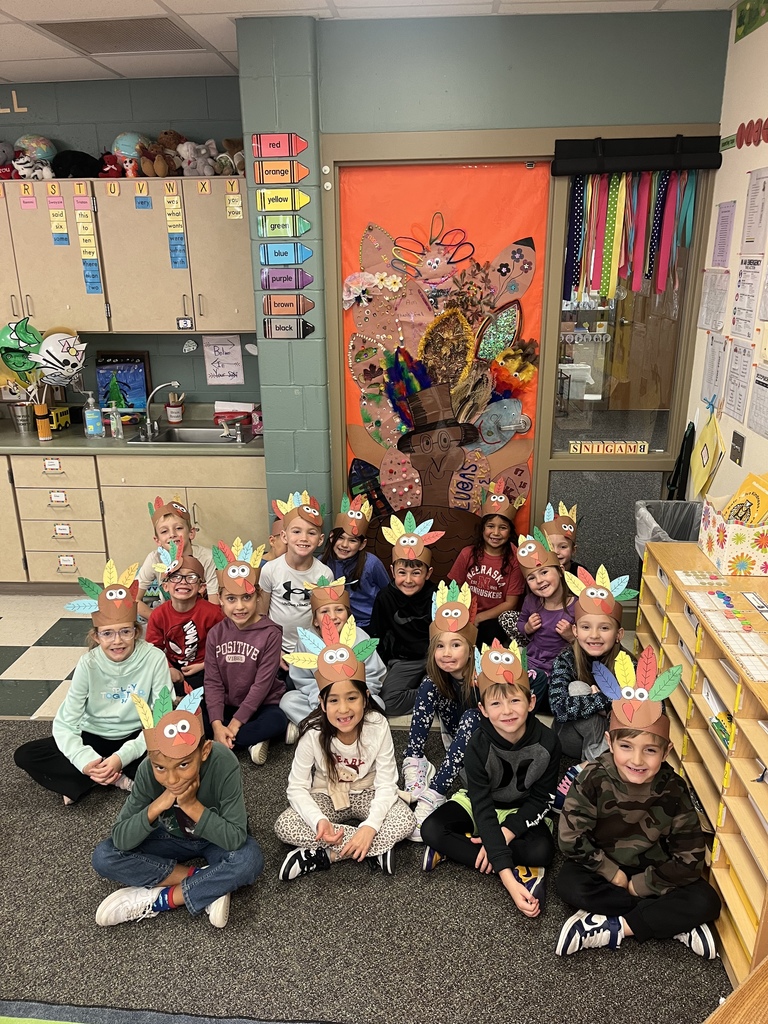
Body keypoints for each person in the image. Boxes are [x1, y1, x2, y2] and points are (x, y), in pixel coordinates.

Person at [555, 648, 721, 957]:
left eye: (650, 751)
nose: (636, 760)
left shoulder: (673, 788)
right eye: (626, 746)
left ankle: (615, 926)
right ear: (609, 743)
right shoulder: (593, 777)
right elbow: (570, 837)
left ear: (666, 751)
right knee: (568, 883)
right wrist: (612, 873)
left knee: (707, 901)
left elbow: (690, 857)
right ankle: (668, 922)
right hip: (604, 865)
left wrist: (641, 885)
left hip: (653, 870)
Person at [91, 685, 263, 929]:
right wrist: (158, 805)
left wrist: (191, 806)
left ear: (204, 751)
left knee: (249, 859)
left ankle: (161, 898)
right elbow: (120, 838)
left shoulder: (223, 761)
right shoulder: (146, 771)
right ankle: (208, 881)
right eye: (160, 767)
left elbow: (235, 837)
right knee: (104, 856)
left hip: (216, 838)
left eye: (183, 765)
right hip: (170, 837)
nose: (172, 780)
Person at [420, 641, 560, 919]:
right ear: (483, 709)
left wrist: (507, 831)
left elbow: (542, 798)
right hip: (480, 805)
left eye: (515, 700)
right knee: (431, 829)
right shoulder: (477, 743)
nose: (507, 711)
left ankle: (469, 849)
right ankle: (502, 859)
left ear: (531, 702)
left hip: (523, 809)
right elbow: (481, 806)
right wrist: (508, 879)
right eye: (496, 703)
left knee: (542, 851)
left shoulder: (548, 741)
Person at [14, 560, 170, 804]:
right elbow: (66, 723)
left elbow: (161, 716)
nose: (117, 641)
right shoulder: (89, 664)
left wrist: (122, 756)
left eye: (125, 631)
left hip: (138, 737)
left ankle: (93, 778)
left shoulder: (154, 658)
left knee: (181, 758)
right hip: (94, 735)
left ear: (136, 631)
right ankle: (108, 776)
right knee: (26, 754)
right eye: (107, 633)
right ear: (96, 636)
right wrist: (84, 761)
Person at [275, 621, 415, 879]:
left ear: (366, 698)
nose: (343, 709)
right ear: (322, 702)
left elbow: (386, 783)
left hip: (367, 791)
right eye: (334, 700)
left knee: (405, 820)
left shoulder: (378, 724)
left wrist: (370, 827)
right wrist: (320, 821)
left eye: (352, 698)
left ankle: (325, 855)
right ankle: (375, 850)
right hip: (327, 794)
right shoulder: (313, 733)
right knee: (285, 825)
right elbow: (296, 788)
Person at [402, 581, 481, 841]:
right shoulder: (439, 678)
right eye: (440, 646)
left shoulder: (482, 679)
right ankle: (415, 760)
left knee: (472, 715)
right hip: (454, 741)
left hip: (484, 753)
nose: (446, 653)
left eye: (455, 645)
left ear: (470, 651)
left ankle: (436, 792)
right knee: (428, 684)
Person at [204, 539, 286, 766]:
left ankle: (224, 741)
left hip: (263, 704)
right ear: (220, 599)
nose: (239, 606)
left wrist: (235, 724)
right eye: (231, 599)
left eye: (246, 598)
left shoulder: (271, 633)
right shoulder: (215, 634)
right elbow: (212, 682)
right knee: (195, 716)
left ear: (257, 596)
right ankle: (244, 740)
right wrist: (218, 724)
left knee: (277, 720)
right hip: (229, 703)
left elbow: (262, 685)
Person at [549, 564, 638, 766]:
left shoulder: (628, 663)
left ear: (619, 634)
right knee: (577, 688)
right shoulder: (566, 658)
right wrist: (607, 698)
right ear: (576, 630)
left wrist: (604, 707)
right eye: (586, 627)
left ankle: (592, 763)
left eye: (604, 628)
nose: (595, 635)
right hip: (571, 737)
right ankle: (595, 765)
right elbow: (559, 708)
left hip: (611, 736)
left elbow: (652, 708)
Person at [281, 576, 386, 742]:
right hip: (320, 701)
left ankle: (314, 728)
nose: (333, 617)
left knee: (378, 704)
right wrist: (322, 697)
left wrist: (356, 696)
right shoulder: (306, 641)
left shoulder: (360, 637)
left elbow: (374, 673)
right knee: (288, 700)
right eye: (324, 612)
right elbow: (302, 679)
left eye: (339, 610)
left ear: (348, 614)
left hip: (353, 700)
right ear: (315, 620)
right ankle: (330, 728)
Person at [368, 511, 442, 717]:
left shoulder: (437, 595)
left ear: (428, 573)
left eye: (416, 573)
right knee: (388, 703)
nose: (408, 579)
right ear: (393, 571)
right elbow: (377, 635)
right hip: (403, 660)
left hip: (434, 658)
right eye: (402, 572)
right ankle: (432, 695)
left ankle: (435, 690)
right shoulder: (385, 597)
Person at [448, 479, 525, 647]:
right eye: (491, 526)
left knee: (487, 633)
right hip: (465, 613)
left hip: (494, 620)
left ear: (510, 531)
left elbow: (510, 603)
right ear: (483, 528)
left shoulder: (515, 561)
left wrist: (480, 617)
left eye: (502, 528)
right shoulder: (467, 553)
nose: (495, 533)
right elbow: (454, 588)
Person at [258, 490, 331, 657]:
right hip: (276, 647)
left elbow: (324, 617)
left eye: (311, 533)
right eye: (296, 531)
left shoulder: (324, 574)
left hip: (311, 648)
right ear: (284, 536)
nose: (303, 538)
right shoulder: (270, 569)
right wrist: (273, 649)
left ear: (320, 540)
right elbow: (262, 614)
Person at [145, 542, 224, 696]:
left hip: (206, 666)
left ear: (202, 587)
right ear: (166, 586)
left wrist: (204, 665)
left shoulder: (213, 613)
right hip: (173, 666)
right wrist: (168, 668)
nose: (183, 582)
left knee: (209, 694)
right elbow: (154, 650)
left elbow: (225, 646)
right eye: (176, 577)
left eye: (191, 577)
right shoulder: (158, 615)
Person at [516, 532, 576, 710]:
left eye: (544, 572)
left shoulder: (576, 606)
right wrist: (527, 627)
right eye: (531, 577)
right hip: (534, 661)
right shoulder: (531, 601)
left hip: (561, 666)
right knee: (521, 684)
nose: (539, 581)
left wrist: (571, 636)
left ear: (561, 571)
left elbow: (587, 642)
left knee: (565, 692)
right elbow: (520, 624)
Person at [136, 496, 219, 619]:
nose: (172, 534)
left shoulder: (208, 558)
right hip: (168, 618)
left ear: (191, 533)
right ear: (157, 540)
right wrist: (158, 620)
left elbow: (214, 605)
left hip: (201, 619)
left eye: (179, 528)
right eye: (164, 531)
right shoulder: (154, 559)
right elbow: (132, 600)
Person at [320, 495, 389, 631]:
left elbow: (387, 593)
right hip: (335, 624)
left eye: (353, 540)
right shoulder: (322, 563)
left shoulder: (371, 564)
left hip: (367, 623)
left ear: (362, 544)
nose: (345, 545)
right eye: (340, 538)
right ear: (332, 537)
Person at [541, 500, 588, 575]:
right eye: (550, 546)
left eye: (563, 547)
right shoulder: (540, 573)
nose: (556, 552)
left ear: (573, 550)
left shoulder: (581, 572)